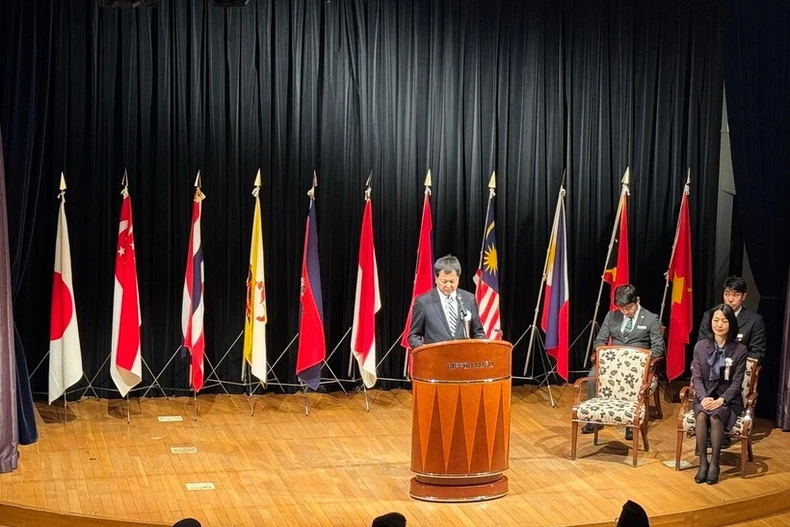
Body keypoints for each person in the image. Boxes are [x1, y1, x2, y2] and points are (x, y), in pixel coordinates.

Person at [582, 284, 665, 440]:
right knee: (593, 377)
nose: (626, 312)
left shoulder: (650, 318)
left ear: (637, 301)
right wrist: (607, 355)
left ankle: (630, 422)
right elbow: (599, 340)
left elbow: (658, 349)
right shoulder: (611, 316)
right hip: (613, 364)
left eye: (629, 308)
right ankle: (594, 420)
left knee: (632, 381)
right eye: (622, 309)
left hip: (637, 366)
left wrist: (636, 359)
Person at [691, 304, 747, 485]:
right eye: (716, 320)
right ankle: (702, 463)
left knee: (716, 416)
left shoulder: (739, 350)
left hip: (728, 399)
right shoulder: (700, 346)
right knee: (700, 415)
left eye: (724, 321)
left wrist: (722, 400)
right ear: (710, 323)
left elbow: (737, 383)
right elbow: (697, 377)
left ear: (731, 324)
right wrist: (702, 397)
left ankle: (715, 463)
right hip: (704, 396)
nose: (719, 325)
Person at [407, 254, 486, 349]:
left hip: (463, 359)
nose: (448, 286)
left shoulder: (468, 299)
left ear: (458, 278)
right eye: (444, 281)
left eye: (452, 282)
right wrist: (425, 350)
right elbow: (414, 336)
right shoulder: (423, 302)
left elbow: (478, 332)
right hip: (435, 359)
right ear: (436, 278)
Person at [697, 275, 766, 363]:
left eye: (735, 295)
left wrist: (733, 365)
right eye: (727, 294)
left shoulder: (755, 321)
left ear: (743, 296)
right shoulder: (709, 316)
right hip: (710, 367)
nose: (730, 299)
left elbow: (756, 353)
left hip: (739, 370)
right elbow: (701, 346)